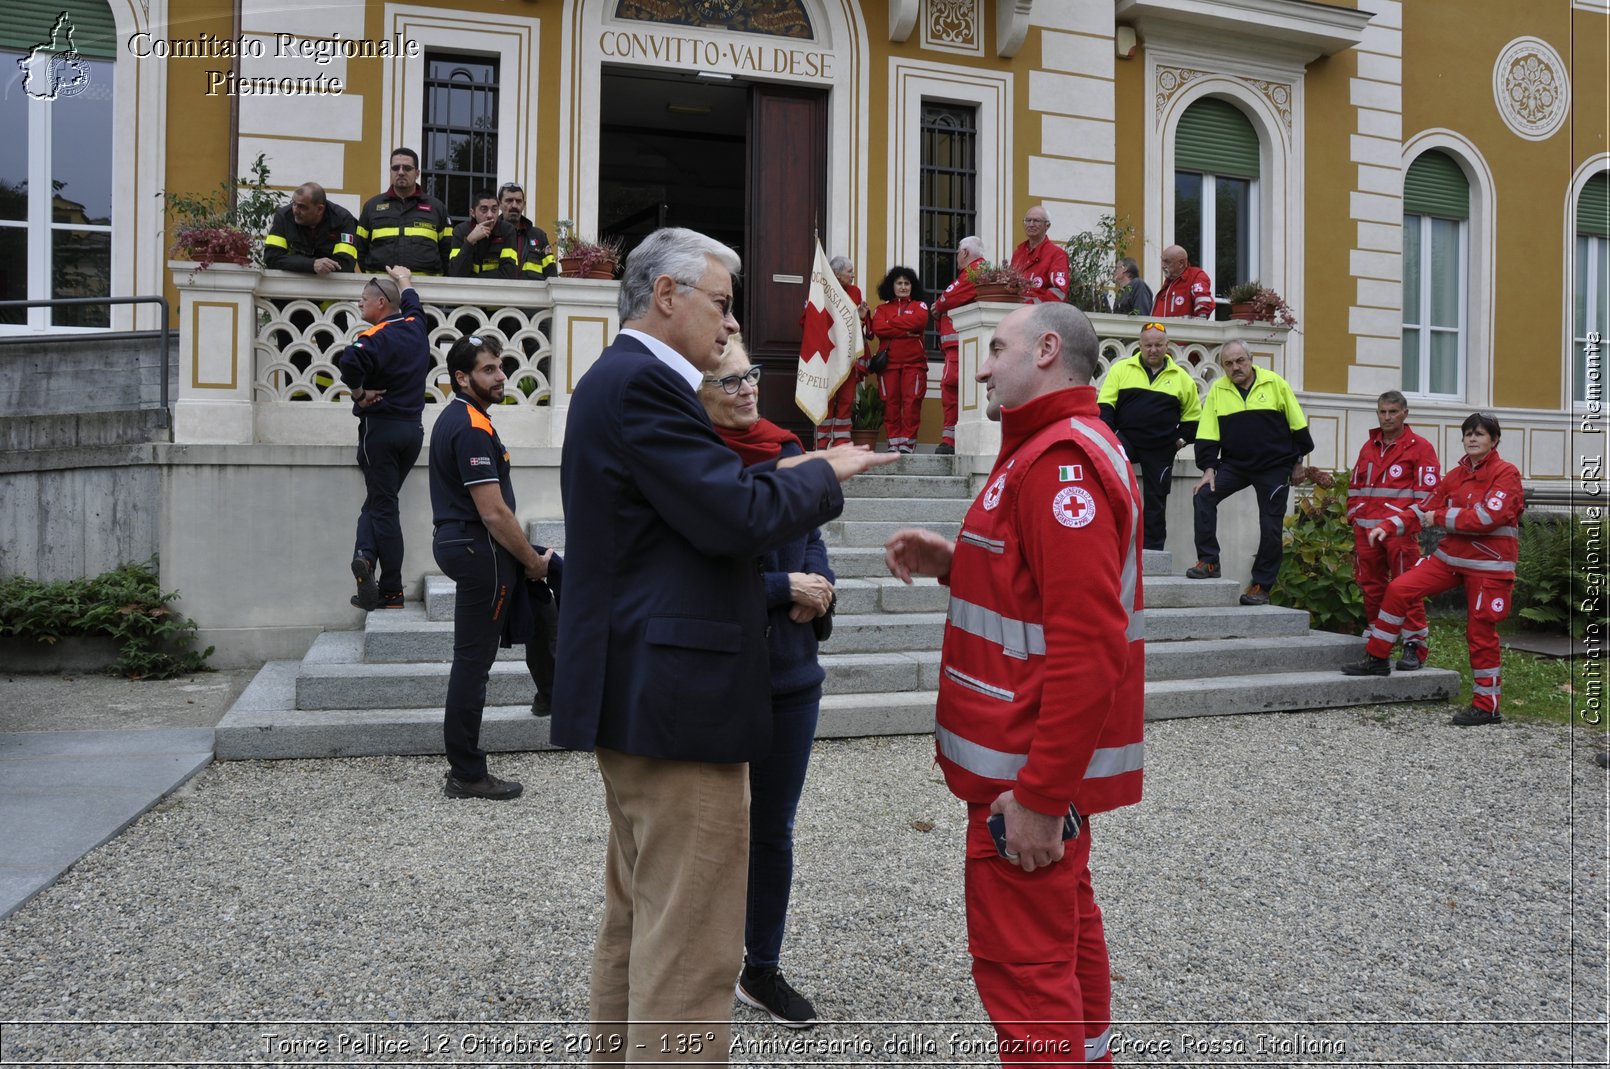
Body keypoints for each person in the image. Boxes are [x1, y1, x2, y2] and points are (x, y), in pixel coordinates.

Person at [550, 226, 895, 1064]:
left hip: (646, 692)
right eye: (722, 304)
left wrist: (785, 477)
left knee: (641, 919)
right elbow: (733, 517)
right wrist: (824, 472)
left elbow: (700, 506)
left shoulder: (623, 380)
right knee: (695, 944)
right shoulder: (644, 384)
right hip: (676, 702)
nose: (729, 325)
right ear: (666, 295)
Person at [884, 302, 1144, 1066]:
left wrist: (1038, 797)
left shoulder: (1059, 461)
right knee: (1065, 935)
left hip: (1020, 780)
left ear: (1048, 351)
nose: (983, 365)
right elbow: (1034, 588)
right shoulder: (1040, 448)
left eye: (996, 348)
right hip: (1023, 770)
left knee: (1026, 976)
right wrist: (955, 562)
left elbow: (1089, 646)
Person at [697, 335, 834, 1029]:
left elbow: (815, 541)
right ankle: (693, 968)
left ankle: (762, 967)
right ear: (698, 393)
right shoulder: (694, 465)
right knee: (709, 831)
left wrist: (822, 587)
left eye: (750, 374)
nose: (748, 387)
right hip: (720, 675)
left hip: (792, 673)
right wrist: (786, 585)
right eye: (730, 380)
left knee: (774, 830)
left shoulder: (786, 448)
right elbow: (693, 580)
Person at [428, 334, 559, 800]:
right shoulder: (469, 426)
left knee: (546, 593)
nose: (501, 375)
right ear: (462, 378)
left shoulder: (468, 418)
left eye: (500, 366)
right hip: (479, 549)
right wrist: (530, 561)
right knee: (473, 664)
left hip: (472, 546)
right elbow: (494, 512)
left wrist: (534, 561)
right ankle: (466, 771)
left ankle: (551, 693)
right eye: (488, 369)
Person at [1343, 413, 1523, 727]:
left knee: (1479, 633)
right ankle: (1378, 657)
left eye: (1479, 434)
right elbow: (1423, 509)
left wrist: (1439, 517)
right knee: (1400, 588)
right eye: (1467, 434)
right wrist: (1389, 525)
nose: (1471, 439)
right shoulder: (1455, 475)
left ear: (1494, 440)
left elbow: (1485, 518)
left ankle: (1487, 705)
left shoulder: (1506, 473)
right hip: (1452, 558)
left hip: (1489, 566)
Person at [1185, 340, 1317, 606]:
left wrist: (1298, 461)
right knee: (1203, 495)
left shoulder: (1275, 384)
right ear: (1223, 367)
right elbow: (1208, 434)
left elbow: (1298, 428)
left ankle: (1261, 585)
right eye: (1229, 364)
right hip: (1235, 465)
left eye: (1240, 361)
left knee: (1270, 527)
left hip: (1274, 466)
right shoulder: (1218, 390)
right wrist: (1208, 469)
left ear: (1251, 358)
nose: (1236, 367)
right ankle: (1209, 561)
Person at [337, 268, 431, 612]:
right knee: (379, 502)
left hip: (380, 430)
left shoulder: (375, 336)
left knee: (384, 507)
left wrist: (360, 394)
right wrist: (405, 278)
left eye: (364, 299)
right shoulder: (417, 327)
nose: (359, 303)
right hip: (412, 433)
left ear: (381, 303)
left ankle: (391, 589)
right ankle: (365, 556)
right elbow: (413, 302)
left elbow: (349, 361)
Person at [1346, 391, 1441, 669]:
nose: (1386, 417)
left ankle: (1414, 645)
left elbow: (1427, 497)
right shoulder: (1369, 446)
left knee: (1406, 588)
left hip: (1399, 535)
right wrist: (1355, 514)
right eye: (1382, 412)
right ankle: (1378, 642)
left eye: (1392, 412)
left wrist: (1400, 523)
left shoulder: (1421, 447)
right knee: (1371, 586)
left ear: (1405, 414)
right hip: (1366, 531)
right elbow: (1355, 485)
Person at [1097, 322, 1200, 551]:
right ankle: (1112, 541)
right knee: (1112, 485)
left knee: (1156, 499)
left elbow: (1193, 419)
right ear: (1139, 346)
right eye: (1148, 345)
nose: (1153, 349)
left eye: (1158, 345)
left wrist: (1179, 442)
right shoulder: (1121, 370)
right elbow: (1105, 407)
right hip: (1126, 441)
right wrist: (1112, 438)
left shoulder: (1182, 378)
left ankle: (1153, 551)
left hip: (1161, 447)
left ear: (1167, 346)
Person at [930, 236, 987, 455]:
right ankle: (951, 439)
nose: (956, 257)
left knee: (952, 387)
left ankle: (951, 440)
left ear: (964, 253)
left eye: (957, 253)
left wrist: (938, 304)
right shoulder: (977, 271)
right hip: (963, 344)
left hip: (962, 344)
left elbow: (949, 297)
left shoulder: (974, 271)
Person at [356, 148, 452, 274]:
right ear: (390, 171)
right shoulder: (372, 206)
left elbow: (447, 250)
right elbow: (360, 248)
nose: (401, 172)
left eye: (407, 168)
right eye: (396, 168)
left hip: (426, 287)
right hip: (382, 287)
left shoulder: (437, 208)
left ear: (417, 173)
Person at [812, 255, 872, 449]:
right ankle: (821, 444)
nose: (852, 274)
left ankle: (841, 444)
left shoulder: (855, 292)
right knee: (828, 399)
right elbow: (811, 320)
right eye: (849, 271)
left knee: (846, 400)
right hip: (828, 355)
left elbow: (854, 324)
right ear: (836, 274)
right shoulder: (821, 290)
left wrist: (862, 318)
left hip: (847, 356)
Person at [869, 265, 929, 454]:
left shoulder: (920, 306)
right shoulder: (881, 309)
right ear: (892, 286)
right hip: (889, 365)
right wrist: (906, 331)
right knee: (890, 404)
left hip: (915, 364)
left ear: (912, 286)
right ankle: (894, 442)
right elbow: (879, 329)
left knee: (912, 404)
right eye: (899, 283)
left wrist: (891, 324)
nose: (903, 287)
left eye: (907, 283)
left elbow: (919, 322)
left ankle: (907, 444)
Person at [263, 182, 358, 274]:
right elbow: (272, 258)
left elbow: (345, 264)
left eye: (302, 207)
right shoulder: (283, 216)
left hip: (332, 285)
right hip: (294, 284)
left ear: (320, 209)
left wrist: (310, 265)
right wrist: (311, 265)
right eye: (294, 203)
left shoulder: (343, 220)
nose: (295, 210)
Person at [447, 189, 521, 279]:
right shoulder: (460, 231)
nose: (490, 215)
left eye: (494, 210)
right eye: (484, 210)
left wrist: (473, 278)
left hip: (497, 291)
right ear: (473, 213)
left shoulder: (507, 230)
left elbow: (509, 274)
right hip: (467, 291)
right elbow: (455, 273)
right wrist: (469, 242)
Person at [1010, 205, 1070, 305]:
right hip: (1016, 313)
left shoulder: (1057, 254)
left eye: (1036, 221)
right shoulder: (1018, 253)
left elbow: (1059, 293)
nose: (1031, 224)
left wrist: (1032, 304)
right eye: (1028, 220)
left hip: (1040, 315)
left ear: (1047, 225)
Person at [498, 182, 558, 278]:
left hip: (533, 293)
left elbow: (551, 275)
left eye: (518, 201)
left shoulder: (539, 236)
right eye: (509, 201)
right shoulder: (490, 234)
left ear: (524, 205)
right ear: (499, 204)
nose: (514, 205)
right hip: (499, 292)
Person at [1152, 244, 1214, 319]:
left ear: (1181, 263)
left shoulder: (1195, 276)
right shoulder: (1168, 284)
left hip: (1182, 330)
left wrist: (1202, 317)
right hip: (1160, 329)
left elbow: (1202, 298)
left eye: (1167, 262)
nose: (1163, 265)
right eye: (1162, 260)